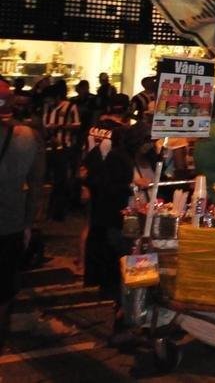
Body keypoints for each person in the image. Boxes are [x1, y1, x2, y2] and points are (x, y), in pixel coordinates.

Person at [80, 99, 134, 342]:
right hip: (116, 212)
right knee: (122, 262)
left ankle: (119, 309)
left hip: (102, 209)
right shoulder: (120, 143)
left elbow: (86, 167)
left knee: (103, 247)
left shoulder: (96, 134)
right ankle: (123, 316)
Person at [0, 83, 44, 351]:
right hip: (12, 223)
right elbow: (37, 185)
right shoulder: (28, 136)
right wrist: (29, 223)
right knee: (4, 290)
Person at [41, 80, 80, 221]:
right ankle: (46, 210)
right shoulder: (47, 108)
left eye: (50, 99)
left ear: (57, 97)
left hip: (64, 148)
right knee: (46, 180)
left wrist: (60, 126)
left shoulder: (70, 107)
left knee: (61, 181)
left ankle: (58, 212)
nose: (48, 102)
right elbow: (44, 125)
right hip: (48, 148)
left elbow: (77, 126)